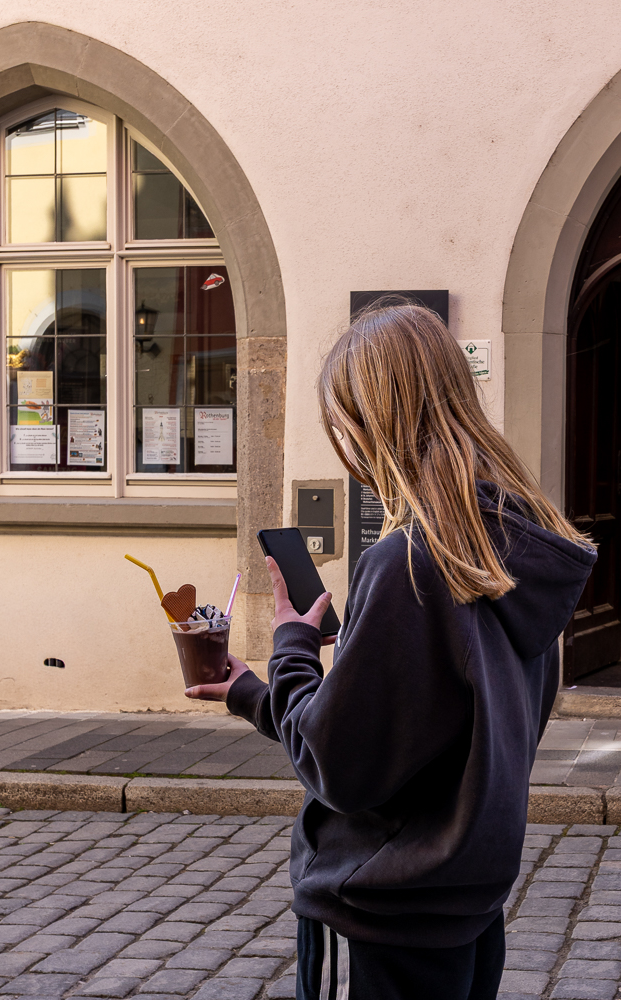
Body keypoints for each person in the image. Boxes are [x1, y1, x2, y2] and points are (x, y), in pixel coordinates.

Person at [185, 301, 596, 1000]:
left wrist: (290, 647)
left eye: (346, 421)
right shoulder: (510, 548)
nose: (346, 440)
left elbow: (339, 766)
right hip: (466, 902)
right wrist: (257, 692)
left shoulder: (409, 562)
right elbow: (442, 724)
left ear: (375, 421)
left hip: (389, 911)